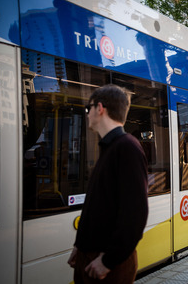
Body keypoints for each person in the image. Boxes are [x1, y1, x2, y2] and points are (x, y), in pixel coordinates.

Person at [68, 84, 148, 284]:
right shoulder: (110, 148)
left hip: (107, 264)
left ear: (100, 108)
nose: (87, 114)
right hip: (91, 256)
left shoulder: (127, 148)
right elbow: (99, 204)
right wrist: (80, 245)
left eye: (89, 109)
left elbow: (135, 214)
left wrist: (108, 261)